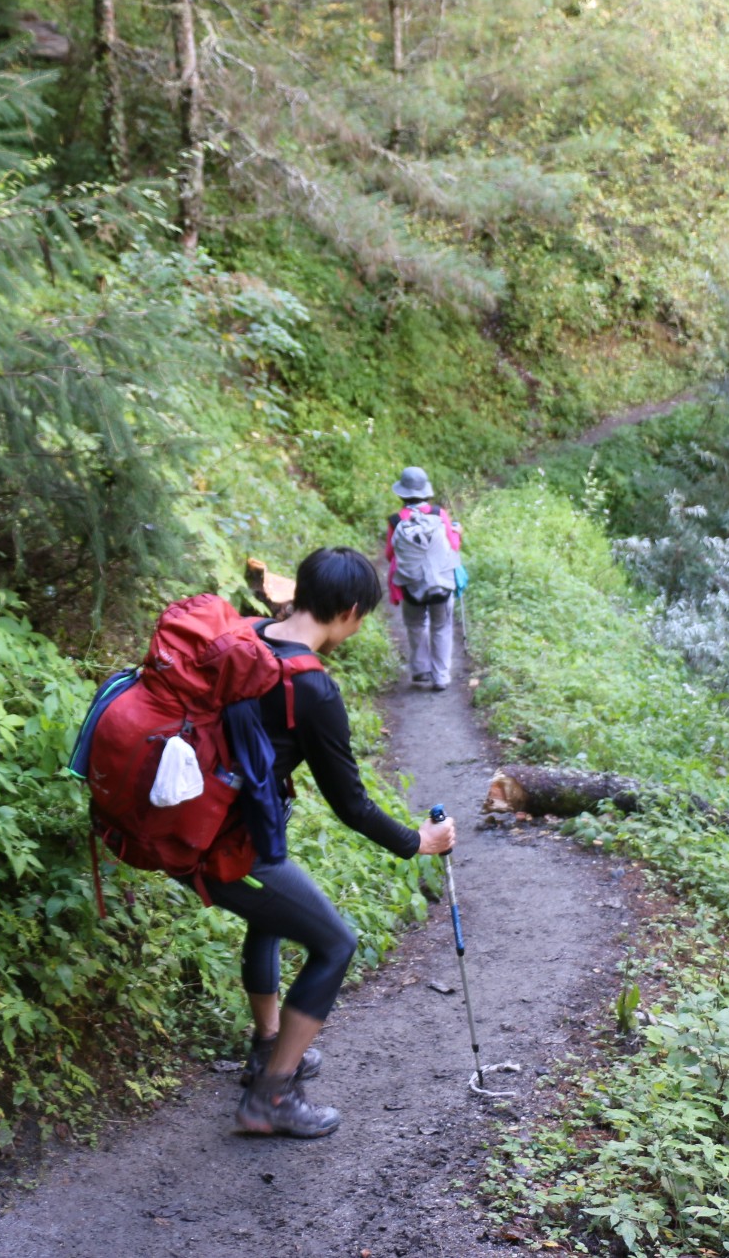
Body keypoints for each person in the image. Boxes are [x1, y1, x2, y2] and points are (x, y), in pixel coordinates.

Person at [219, 546, 457, 1138]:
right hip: (226, 842)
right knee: (335, 944)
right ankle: (269, 1098)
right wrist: (416, 841)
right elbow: (349, 802)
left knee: (268, 917)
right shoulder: (312, 688)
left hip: (217, 818)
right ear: (350, 612)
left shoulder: (247, 634)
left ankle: (267, 1049)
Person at [385, 466, 463, 690]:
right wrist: (457, 533)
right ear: (425, 491)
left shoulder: (395, 520)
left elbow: (390, 554)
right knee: (441, 626)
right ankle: (441, 678)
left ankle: (420, 671)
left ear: (402, 493)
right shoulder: (439, 514)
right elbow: (453, 546)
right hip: (441, 584)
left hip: (411, 585)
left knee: (416, 625)